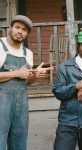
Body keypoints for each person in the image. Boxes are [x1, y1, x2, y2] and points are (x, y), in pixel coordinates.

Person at [0, 15, 52, 150]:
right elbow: (19, 74)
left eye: (24, 29)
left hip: (21, 101)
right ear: (11, 28)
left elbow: (26, 81)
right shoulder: (0, 46)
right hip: (1, 101)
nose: (20, 31)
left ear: (27, 33)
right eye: (17, 27)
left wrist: (35, 75)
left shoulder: (27, 53)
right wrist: (16, 73)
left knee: (19, 137)